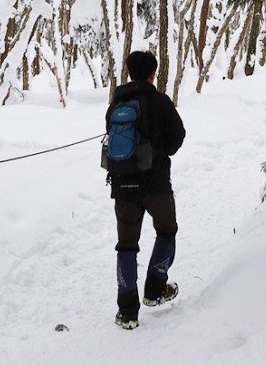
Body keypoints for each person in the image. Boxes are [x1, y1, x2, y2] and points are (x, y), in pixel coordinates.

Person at [108, 49, 185, 330]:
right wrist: (157, 152)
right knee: (166, 231)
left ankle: (127, 313)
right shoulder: (160, 101)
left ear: (130, 73)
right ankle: (155, 290)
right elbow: (178, 137)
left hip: (122, 186)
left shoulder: (116, 103)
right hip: (155, 185)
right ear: (153, 74)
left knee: (126, 245)